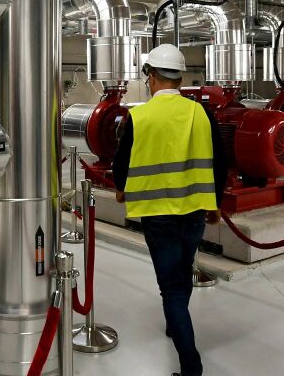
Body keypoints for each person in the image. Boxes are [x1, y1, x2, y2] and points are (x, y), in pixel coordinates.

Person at [112, 44, 227, 376]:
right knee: (183, 271)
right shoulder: (200, 113)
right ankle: (176, 324)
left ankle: (190, 364)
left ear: (151, 77)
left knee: (171, 288)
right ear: (178, 77)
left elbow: (122, 161)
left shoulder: (140, 116)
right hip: (193, 213)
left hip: (157, 214)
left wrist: (121, 189)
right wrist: (215, 202)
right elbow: (219, 161)